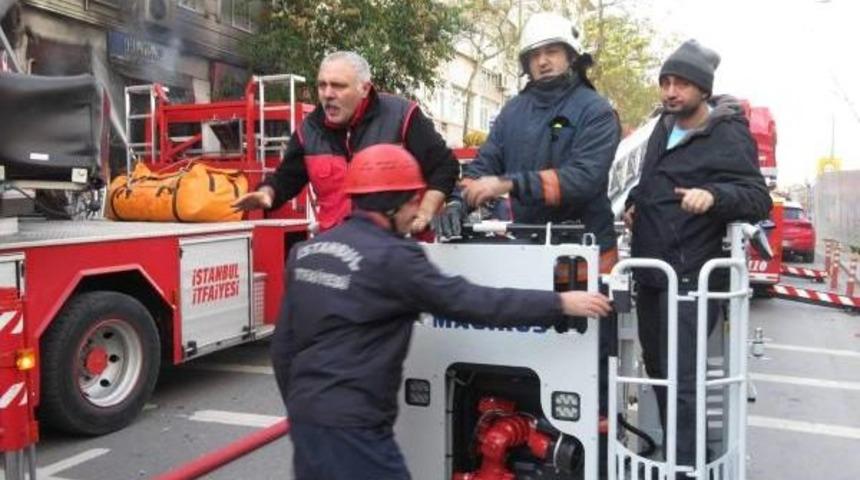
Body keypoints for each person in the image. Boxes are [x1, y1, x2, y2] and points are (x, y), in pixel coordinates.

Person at [271, 144, 613, 480]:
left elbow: (283, 348)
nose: (416, 210)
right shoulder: (395, 258)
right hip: (356, 429)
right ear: (395, 203)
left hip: (307, 420)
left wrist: (307, 408)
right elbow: (475, 303)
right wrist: (559, 304)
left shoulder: (307, 252)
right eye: (412, 200)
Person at [622, 39, 772, 473]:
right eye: (666, 82)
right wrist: (635, 203)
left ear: (703, 89)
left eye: (682, 83)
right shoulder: (661, 126)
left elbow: (757, 198)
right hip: (651, 273)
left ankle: (689, 464)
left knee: (684, 378)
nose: (671, 92)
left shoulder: (727, 133)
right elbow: (652, 181)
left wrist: (714, 195)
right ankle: (680, 454)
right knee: (658, 372)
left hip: (690, 280)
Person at [232, 51, 458, 233]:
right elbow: (286, 178)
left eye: (338, 86)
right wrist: (267, 193)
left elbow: (445, 166)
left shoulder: (403, 116)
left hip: (396, 250)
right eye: (322, 85)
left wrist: (426, 211)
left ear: (365, 88)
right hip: (338, 251)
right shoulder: (308, 130)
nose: (327, 94)